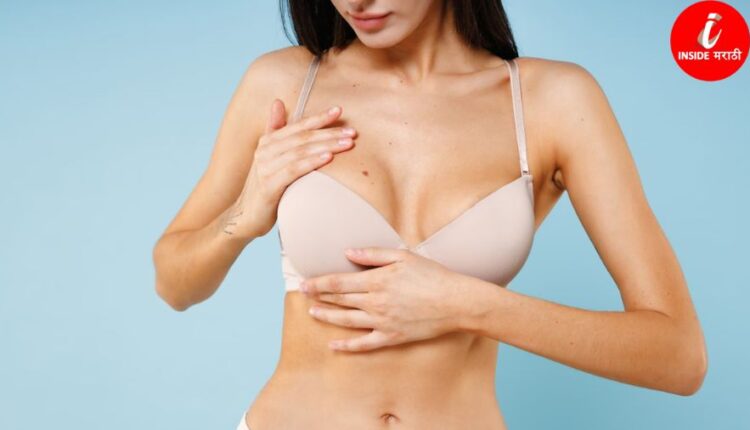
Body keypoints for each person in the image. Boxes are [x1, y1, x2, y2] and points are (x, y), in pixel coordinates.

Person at [152, 1, 708, 429]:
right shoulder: (285, 84)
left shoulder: (552, 102)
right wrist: (245, 214)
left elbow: (679, 356)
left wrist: (468, 305)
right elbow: (174, 284)